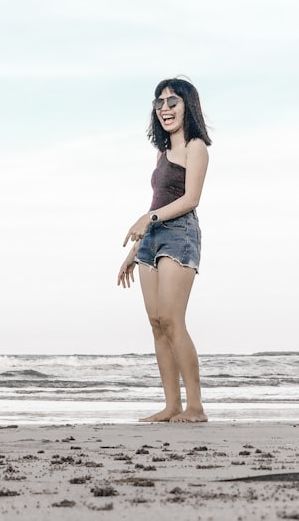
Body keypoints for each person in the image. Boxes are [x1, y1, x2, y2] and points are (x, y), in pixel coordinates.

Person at [118, 77, 211, 423]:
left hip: (179, 233)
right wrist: (136, 248)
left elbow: (190, 199)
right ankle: (172, 405)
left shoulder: (196, 146)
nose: (165, 108)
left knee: (173, 320)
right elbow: (158, 199)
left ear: (188, 105)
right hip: (152, 237)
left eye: (173, 101)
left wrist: (149, 217)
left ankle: (195, 407)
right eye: (159, 102)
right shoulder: (162, 153)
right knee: (156, 323)